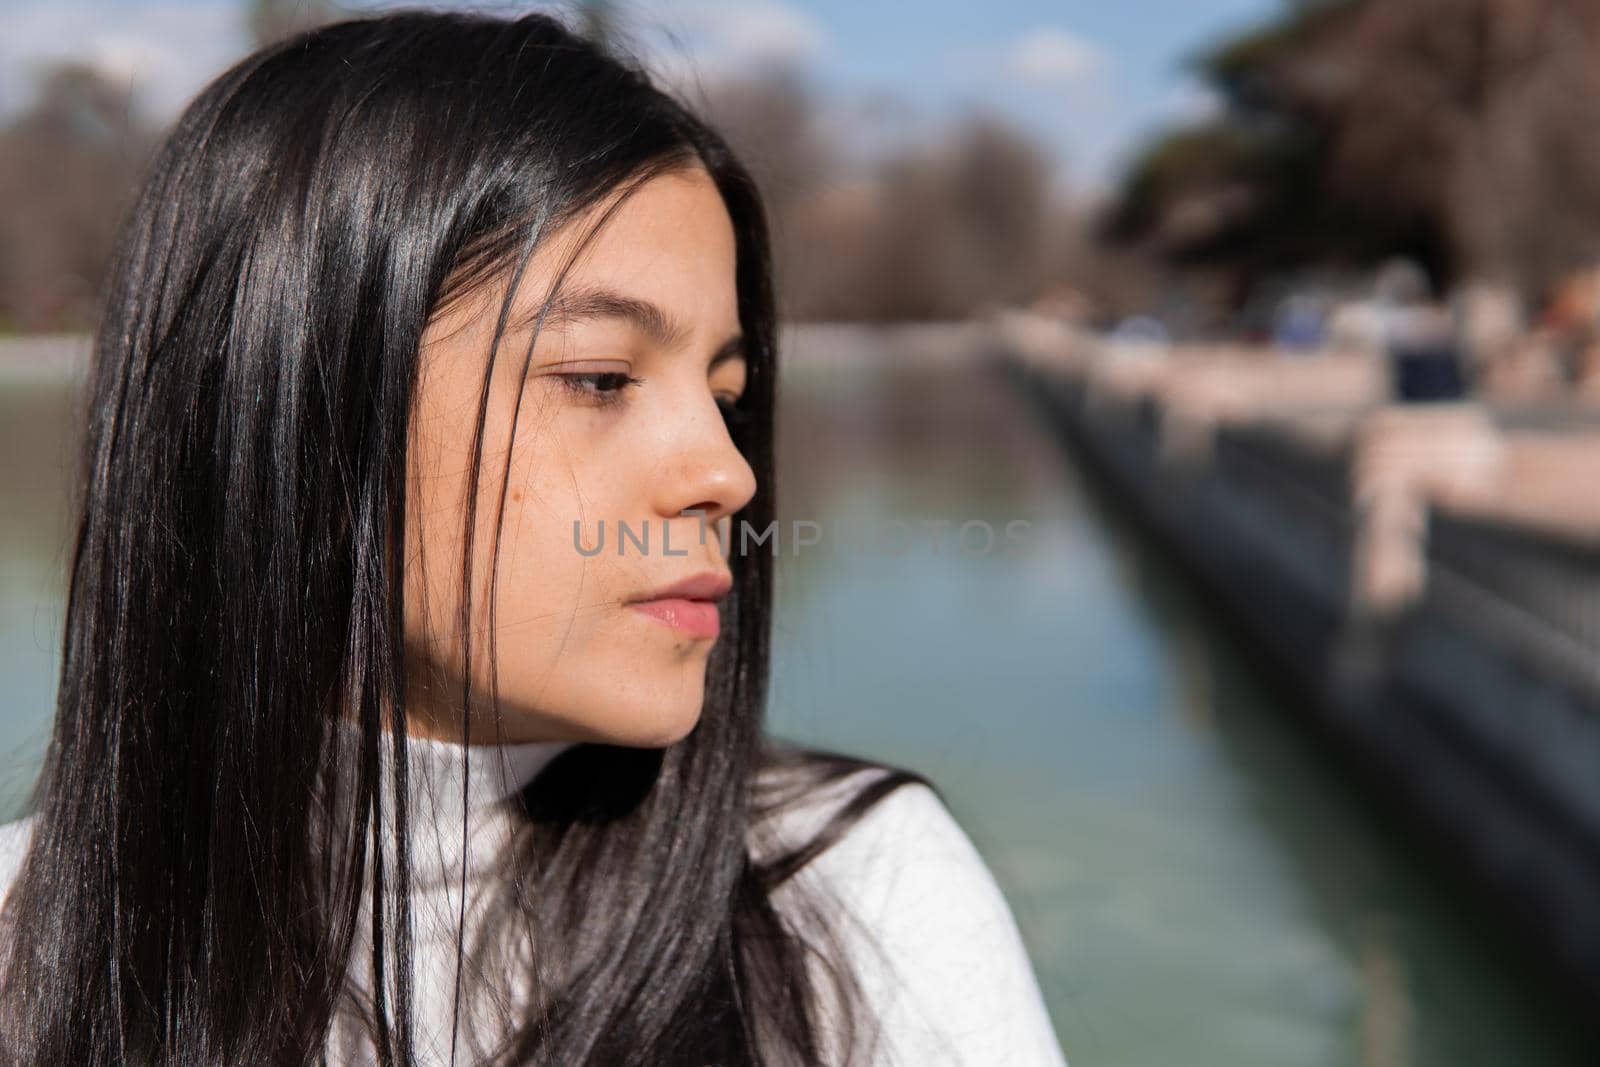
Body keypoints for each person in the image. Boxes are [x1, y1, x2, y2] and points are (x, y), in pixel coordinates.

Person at [0, 9, 1066, 1066]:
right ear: (286, 404)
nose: (728, 474)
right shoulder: (23, 951)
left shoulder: (846, 890)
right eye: (599, 378)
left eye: (727, 394)